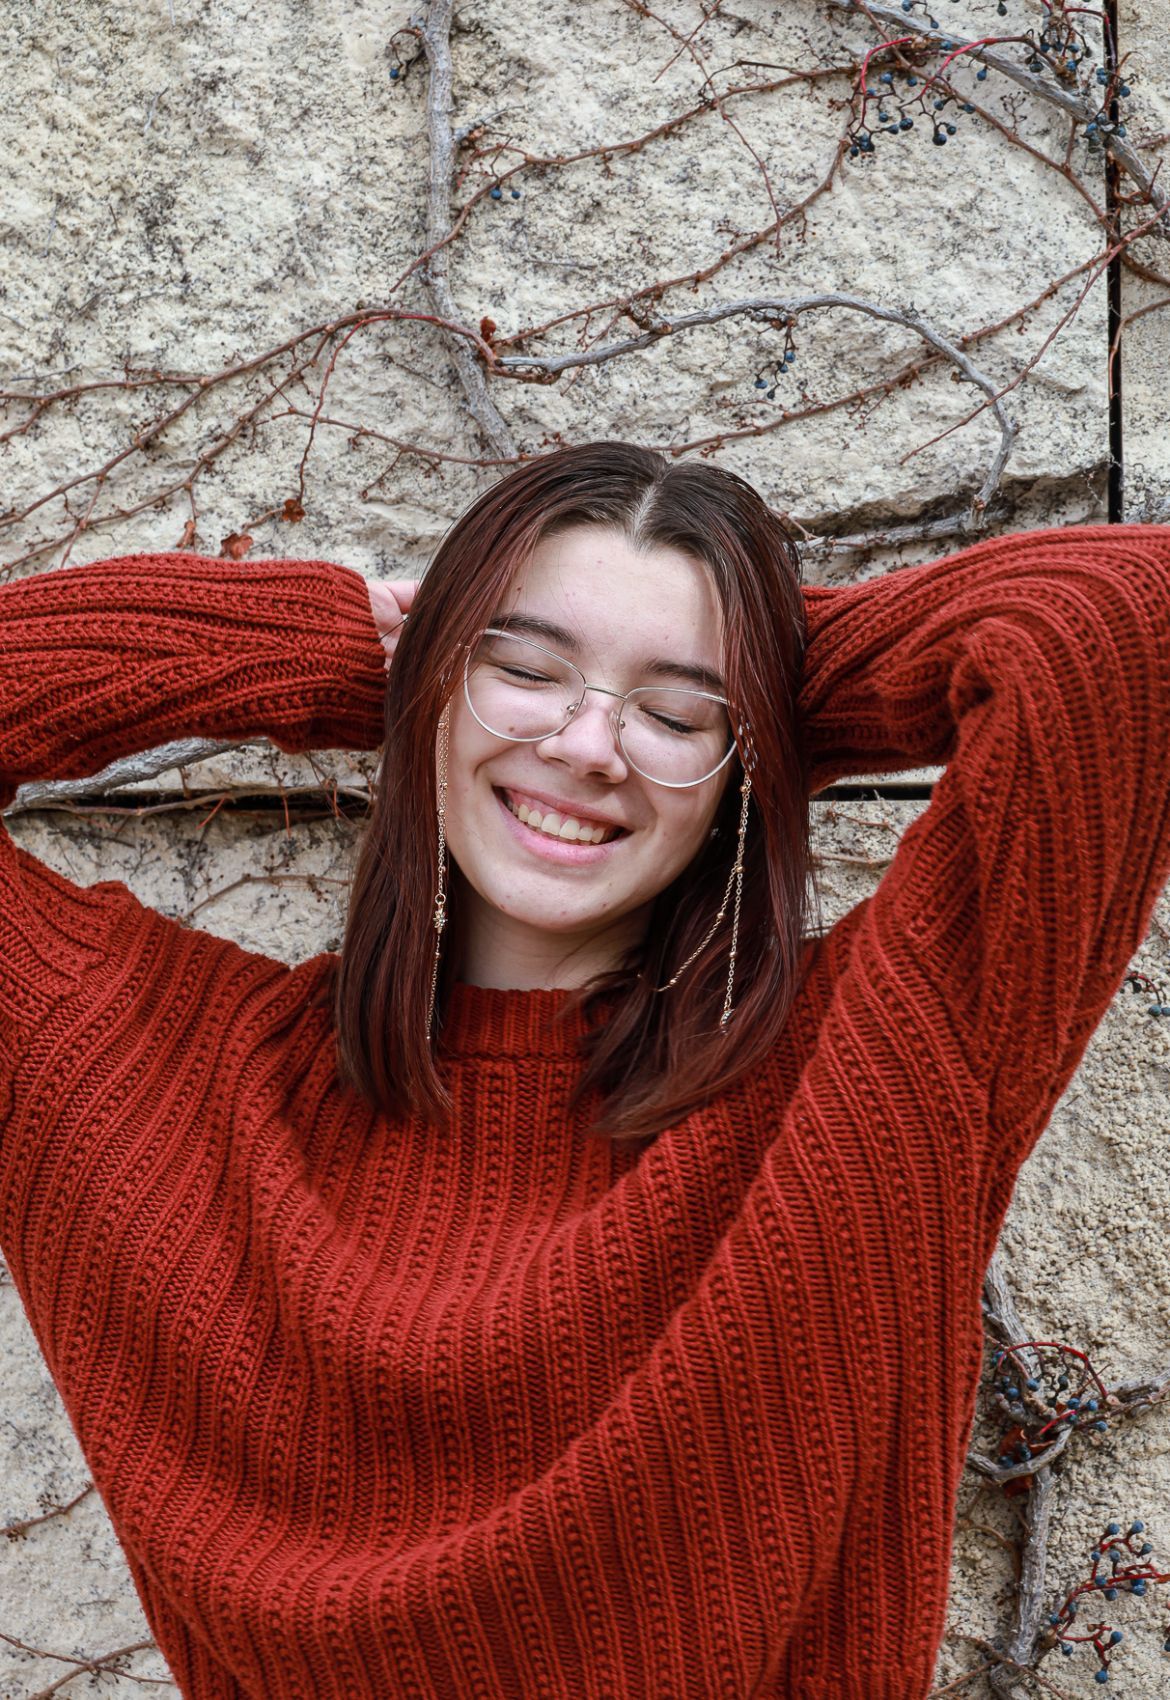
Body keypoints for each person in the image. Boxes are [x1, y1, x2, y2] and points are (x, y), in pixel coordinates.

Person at [0, 439, 1167, 1700]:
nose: (590, 744)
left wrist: (761, 703)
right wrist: (338, 652)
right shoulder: (138, 1071)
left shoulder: (876, 1067)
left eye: (671, 714)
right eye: (523, 666)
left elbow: (1120, 629)